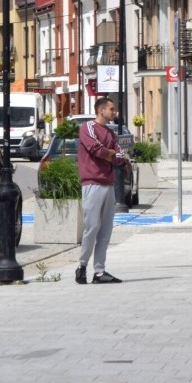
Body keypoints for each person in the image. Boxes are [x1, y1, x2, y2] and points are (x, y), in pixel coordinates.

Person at [75, 97, 126, 285]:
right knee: (92, 227)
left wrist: (111, 154)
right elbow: (96, 149)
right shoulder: (87, 127)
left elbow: (120, 155)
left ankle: (99, 271)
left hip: (108, 184)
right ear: (101, 110)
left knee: (105, 230)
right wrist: (110, 154)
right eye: (112, 109)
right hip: (92, 184)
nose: (114, 112)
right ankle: (81, 267)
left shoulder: (110, 133)